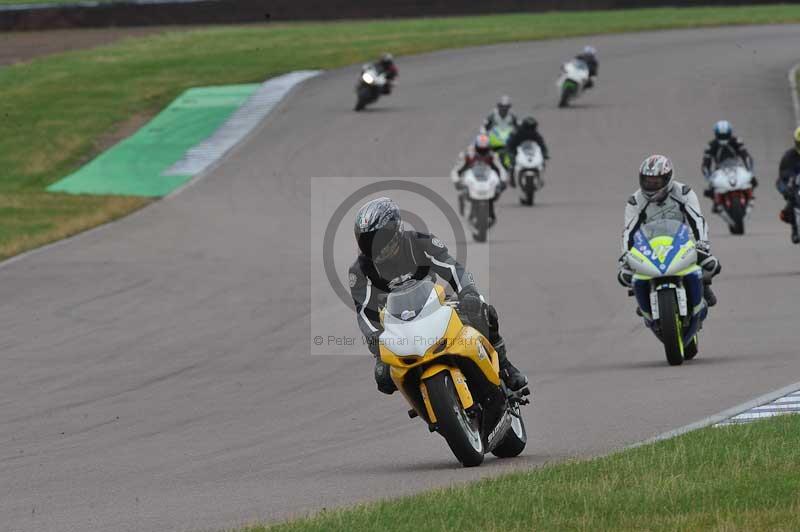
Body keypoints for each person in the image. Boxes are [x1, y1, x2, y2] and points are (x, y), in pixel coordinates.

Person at [348, 197, 529, 395]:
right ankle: (423, 401)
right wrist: (376, 342)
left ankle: (505, 366)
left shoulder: (419, 242)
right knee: (384, 377)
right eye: (368, 241)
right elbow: (364, 311)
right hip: (396, 325)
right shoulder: (360, 270)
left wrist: (468, 292)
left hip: (435, 306)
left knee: (485, 311)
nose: (376, 246)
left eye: (381, 238)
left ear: (396, 229)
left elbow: (453, 268)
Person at [618, 155, 721, 308]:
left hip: (683, 240)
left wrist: (703, 243)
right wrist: (626, 255)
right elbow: (629, 231)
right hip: (650, 245)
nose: (651, 186)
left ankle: (702, 285)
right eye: (647, 181)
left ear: (668, 178)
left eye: (656, 182)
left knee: (712, 265)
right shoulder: (635, 201)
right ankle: (644, 298)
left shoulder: (684, 192)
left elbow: (697, 220)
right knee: (625, 275)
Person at [450, 133, 508, 218]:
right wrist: (456, 181)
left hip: (487, 179)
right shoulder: (468, 155)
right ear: (476, 146)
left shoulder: (492, 156)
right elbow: (456, 169)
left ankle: (491, 211)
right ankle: (465, 206)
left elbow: (500, 168)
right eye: (480, 149)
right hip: (472, 179)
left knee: (497, 191)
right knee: (463, 191)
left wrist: (503, 181)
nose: (482, 152)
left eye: (484, 149)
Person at [701, 120, 756, 208]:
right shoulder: (711, 145)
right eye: (721, 135)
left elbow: (745, 156)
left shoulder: (737, 141)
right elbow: (706, 162)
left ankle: (750, 197)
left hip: (736, 166)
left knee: (753, 181)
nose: (723, 138)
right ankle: (717, 203)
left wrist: (750, 170)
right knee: (710, 189)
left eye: (725, 135)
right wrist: (708, 176)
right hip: (720, 169)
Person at [505, 116, 550, 187]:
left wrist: (545, 153)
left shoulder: (535, 134)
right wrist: (510, 151)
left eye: (532, 128)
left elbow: (541, 143)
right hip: (516, 148)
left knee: (542, 161)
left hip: (529, 150)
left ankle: (541, 177)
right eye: (529, 128)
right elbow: (510, 143)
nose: (530, 130)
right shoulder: (517, 133)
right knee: (512, 162)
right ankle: (511, 178)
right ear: (524, 127)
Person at [776, 126, 800, 243]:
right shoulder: (789, 156)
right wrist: (787, 188)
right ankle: (795, 229)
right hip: (797, 186)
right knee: (786, 212)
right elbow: (783, 174)